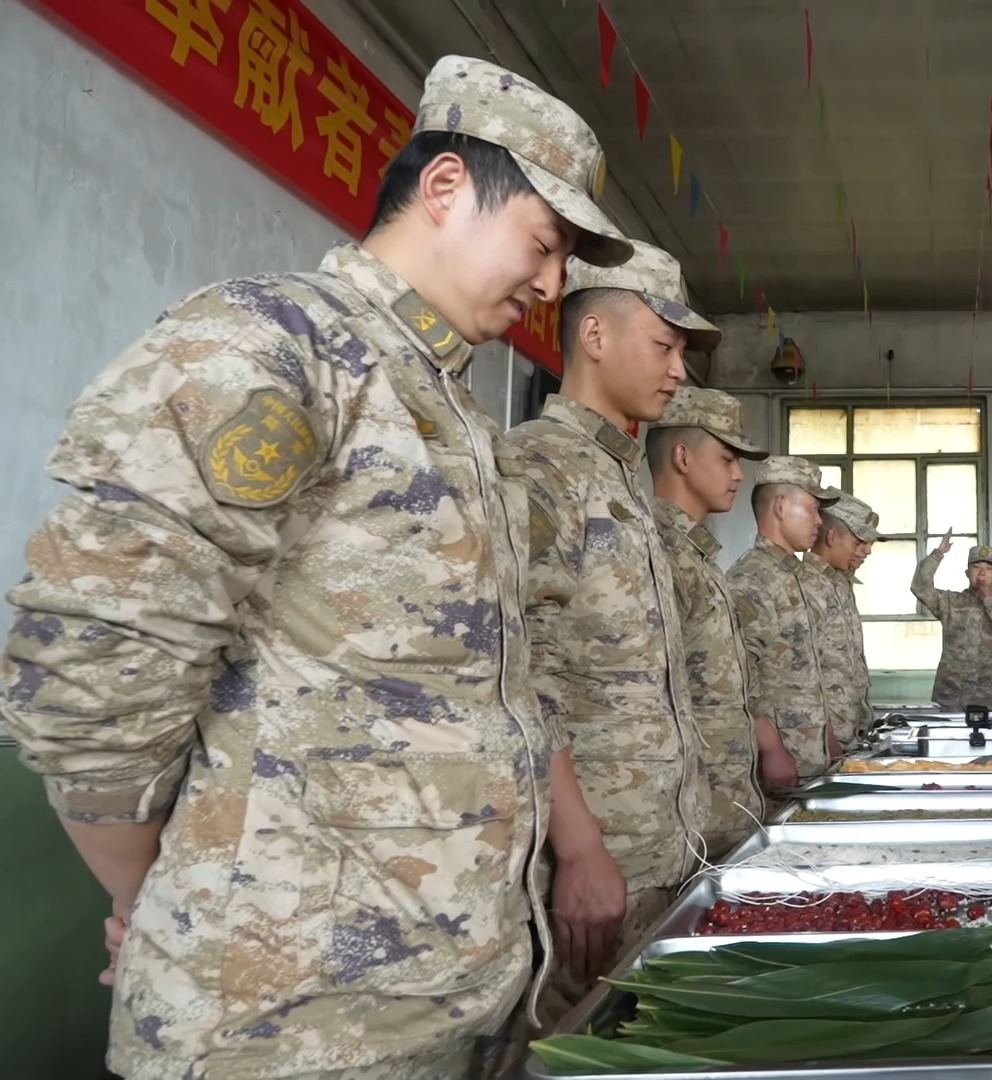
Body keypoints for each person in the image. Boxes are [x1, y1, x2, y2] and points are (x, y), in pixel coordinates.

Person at [0, 55, 632, 1079]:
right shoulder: (278, 345)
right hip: (292, 1028)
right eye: (544, 242)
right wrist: (152, 890)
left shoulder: (453, 420)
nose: (553, 284)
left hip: (461, 1003)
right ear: (445, 190)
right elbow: (94, 653)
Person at [505, 241, 716, 1019]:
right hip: (595, 861)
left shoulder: (623, 478)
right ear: (594, 337)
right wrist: (580, 844)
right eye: (664, 346)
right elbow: (520, 667)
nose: (677, 370)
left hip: (661, 847)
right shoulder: (539, 466)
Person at [647, 387, 772, 856]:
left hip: (721, 799)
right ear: (682, 457)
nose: (739, 475)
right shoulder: (657, 551)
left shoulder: (697, 556)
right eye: (726, 458)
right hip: (681, 810)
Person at [728, 457, 841, 781]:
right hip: (782, 765)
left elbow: (811, 671)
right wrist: (771, 748)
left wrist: (826, 735)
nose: (820, 521)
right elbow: (739, 674)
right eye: (813, 509)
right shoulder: (752, 579)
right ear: (780, 506)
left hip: (809, 758)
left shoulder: (795, 577)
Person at [800, 492, 881, 748]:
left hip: (849, 735)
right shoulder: (804, 586)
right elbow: (797, 677)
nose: (867, 550)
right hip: (819, 742)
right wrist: (823, 735)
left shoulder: (841, 584)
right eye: (859, 541)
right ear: (832, 536)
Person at [913, 533, 992, 713]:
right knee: (949, 741)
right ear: (967, 572)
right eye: (976, 567)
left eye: (988, 568)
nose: (982, 573)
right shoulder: (950, 602)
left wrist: (989, 599)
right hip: (951, 696)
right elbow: (920, 587)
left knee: (990, 742)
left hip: (990, 698)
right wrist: (939, 553)